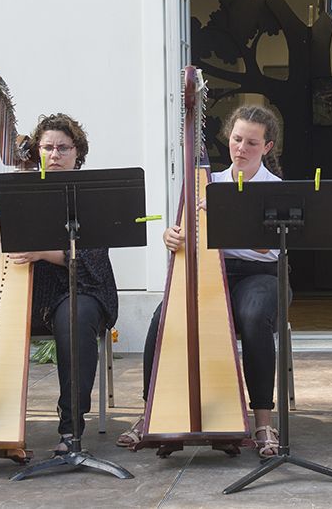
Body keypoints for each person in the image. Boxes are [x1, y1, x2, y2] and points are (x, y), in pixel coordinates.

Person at [118, 105, 286, 458]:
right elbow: (189, 236)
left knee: (254, 316)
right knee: (162, 315)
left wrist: (226, 218)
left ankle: (262, 420)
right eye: (237, 139)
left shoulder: (275, 189)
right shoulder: (210, 184)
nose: (241, 148)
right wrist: (172, 237)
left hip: (262, 275)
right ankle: (150, 412)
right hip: (215, 272)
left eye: (252, 143)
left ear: (267, 147)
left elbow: (268, 246)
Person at [7, 113, 118, 455]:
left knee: (75, 318)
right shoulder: (20, 189)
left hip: (85, 290)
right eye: (47, 147)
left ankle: (71, 427)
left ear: (77, 153)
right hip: (32, 295)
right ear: (35, 151)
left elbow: (92, 258)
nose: (54, 155)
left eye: (63, 148)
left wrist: (42, 252)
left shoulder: (92, 193)